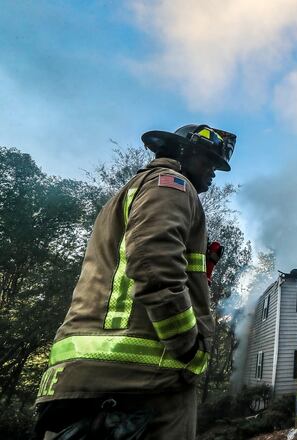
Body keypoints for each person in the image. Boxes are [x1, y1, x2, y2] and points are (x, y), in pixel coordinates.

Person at [33, 124, 236, 440]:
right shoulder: (172, 185)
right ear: (180, 152)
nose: (213, 171)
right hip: (140, 385)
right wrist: (189, 349)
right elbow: (155, 262)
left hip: (92, 382)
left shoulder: (138, 188)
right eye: (207, 160)